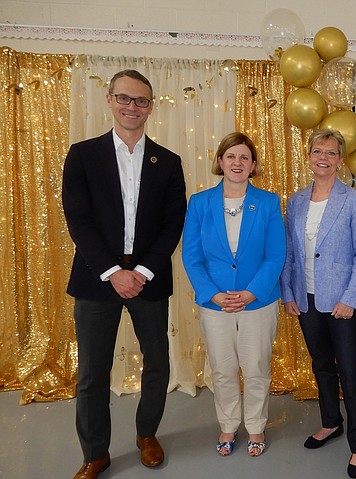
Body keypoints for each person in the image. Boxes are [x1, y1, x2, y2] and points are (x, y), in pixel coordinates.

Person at [62, 69, 186, 479]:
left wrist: (143, 271)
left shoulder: (168, 162)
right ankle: (95, 452)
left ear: (151, 107)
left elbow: (173, 222)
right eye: (125, 99)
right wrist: (115, 271)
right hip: (98, 278)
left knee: (157, 363)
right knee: (93, 371)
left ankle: (147, 434)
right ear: (110, 100)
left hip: (150, 276)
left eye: (141, 100)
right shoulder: (83, 154)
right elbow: (78, 220)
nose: (133, 107)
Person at [182, 132, 286, 458]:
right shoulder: (199, 203)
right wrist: (212, 294)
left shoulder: (268, 203)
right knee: (223, 369)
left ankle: (255, 426)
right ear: (220, 162)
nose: (237, 163)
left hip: (258, 302)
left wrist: (252, 293)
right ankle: (228, 424)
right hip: (215, 304)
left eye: (244, 157)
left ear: (253, 165)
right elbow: (191, 255)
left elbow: (275, 255)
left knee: (256, 367)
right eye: (231, 156)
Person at [280, 129, 356, 478]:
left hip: (341, 301)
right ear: (308, 155)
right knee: (322, 365)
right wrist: (288, 293)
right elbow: (290, 252)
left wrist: (350, 298)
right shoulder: (297, 201)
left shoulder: (353, 200)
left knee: (350, 372)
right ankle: (331, 423)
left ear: (340, 159)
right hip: (306, 297)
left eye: (331, 152)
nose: (323, 157)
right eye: (317, 150)